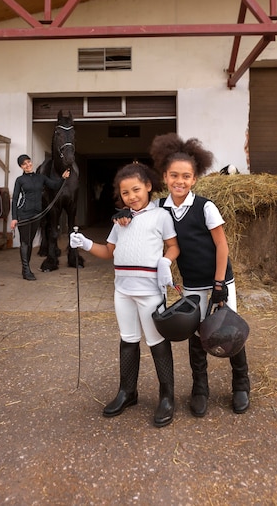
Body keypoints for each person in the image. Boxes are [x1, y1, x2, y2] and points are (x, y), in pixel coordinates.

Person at [69, 162, 180, 427]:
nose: (132, 196)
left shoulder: (161, 216)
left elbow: (173, 246)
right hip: (123, 291)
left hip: (150, 292)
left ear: (149, 187)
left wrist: (166, 262)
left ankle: (167, 396)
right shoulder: (121, 220)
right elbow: (108, 252)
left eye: (136, 190)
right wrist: (84, 243)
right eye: (126, 193)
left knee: (156, 341)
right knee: (128, 340)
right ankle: (127, 392)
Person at [150, 133, 250, 415]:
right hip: (192, 285)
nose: (179, 181)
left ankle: (241, 385)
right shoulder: (159, 208)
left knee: (230, 333)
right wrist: (121, 213)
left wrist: (220, 284)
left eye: (186, 176)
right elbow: (137, 214)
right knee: (197, 338)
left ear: (194, 179)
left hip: (219, 281)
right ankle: (200, 389)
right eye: (173, 176)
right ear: (165, 177)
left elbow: (221, 244)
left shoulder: (205, 206)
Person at [10, 154, 70, 281]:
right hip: (24, 214)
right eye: (24, 164)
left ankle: (25, 268)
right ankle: (26, 270)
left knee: (30, 242)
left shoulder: (41, 178)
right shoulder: (20, 180)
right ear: (21, 167)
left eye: (28, 162)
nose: (28, 165)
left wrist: (63, 178)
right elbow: (15, 199)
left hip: (37, 214)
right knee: (25, 242)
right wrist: (14, 218)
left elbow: (54, 186)